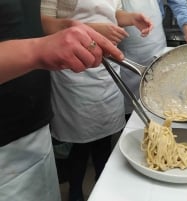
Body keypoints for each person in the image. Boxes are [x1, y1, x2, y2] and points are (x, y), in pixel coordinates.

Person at [0, 0, 124, 201]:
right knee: (81, 147)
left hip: (35, 131)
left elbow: (26, 21)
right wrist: (37, 50)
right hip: (5, 148)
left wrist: (64, 26)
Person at [40, 1, 152, 201]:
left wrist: (131, 18)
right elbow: (44, 24)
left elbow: (113, 13)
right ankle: (75, 193)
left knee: (104, 138)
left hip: (106, 69)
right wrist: (89, 30)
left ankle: (104, 190)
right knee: (80, 143)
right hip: (75, 71)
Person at [118, 0, 187, 120]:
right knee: (133, 114)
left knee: (162, 105)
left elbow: (178, 3)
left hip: (156, 45)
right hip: (127, 57)